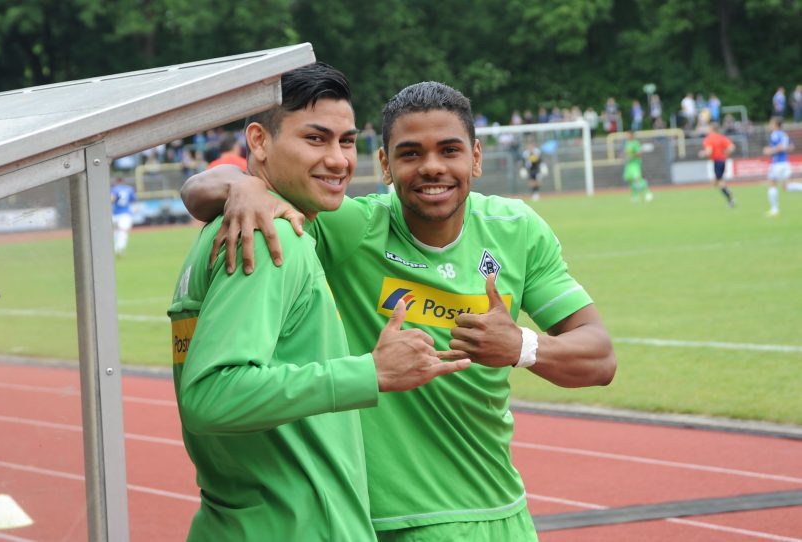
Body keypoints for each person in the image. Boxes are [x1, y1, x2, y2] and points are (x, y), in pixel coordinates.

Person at [182, 81, 616, 541]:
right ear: (385, 165)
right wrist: (246, 187)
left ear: (476, 157)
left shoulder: (516, 230)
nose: (432, 168)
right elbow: (196, 190)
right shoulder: (350, 226)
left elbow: (600, 357)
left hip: (504, 514)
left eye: (449, 150)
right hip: (388, 524)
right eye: (410, 154)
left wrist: (522, 345)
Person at [167, 64, 469, 541]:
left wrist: (240, 184)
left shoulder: (236, 226)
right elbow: (212, 396)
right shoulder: (270, 237)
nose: (337, 160)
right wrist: (371, 372)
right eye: (316, 139)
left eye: (346, 142)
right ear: (260, 141)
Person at [698, 122, 736, 207]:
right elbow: (732, 147)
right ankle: (728, 193)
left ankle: (729, 198)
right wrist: (726, 153)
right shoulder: (722, 137)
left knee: (719, 182)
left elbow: (709, 151)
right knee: (717, 181)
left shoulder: (709, 139)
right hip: (723, 161)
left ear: (711, 129)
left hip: (717, 161)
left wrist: (702, 153)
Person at [763, 117, 794, 216]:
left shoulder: (775, 134)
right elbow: (791, 147)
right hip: (784, 162)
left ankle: (774, 210)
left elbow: (781, 147)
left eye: (771, 123)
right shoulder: (784, 134)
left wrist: (770, 151)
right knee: (786, 187)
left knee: (772, 183)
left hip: (778, 163)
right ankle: (774, 209)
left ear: (776, 124)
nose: (770, 125)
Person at [623, 131, 653, 202]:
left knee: (638, 179)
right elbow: (627, 153)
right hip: (629, 164)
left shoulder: (635, 143)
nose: (627, 137)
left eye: (628, 135)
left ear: (632, 135)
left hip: (635, 164)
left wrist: (632, 157)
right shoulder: (627, 143)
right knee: (630, 180)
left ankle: (648, 193)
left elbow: (639, 153)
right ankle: (635, 196)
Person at [110, 177, 136, 256]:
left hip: (115, 213)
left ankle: (115, 248)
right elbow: (133, 199)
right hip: (125, 213)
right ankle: (120, 248)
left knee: (115, 231)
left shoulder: (114, 189)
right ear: (123, 181)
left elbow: (111, 199)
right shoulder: (129, 189)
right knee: (123, 231)